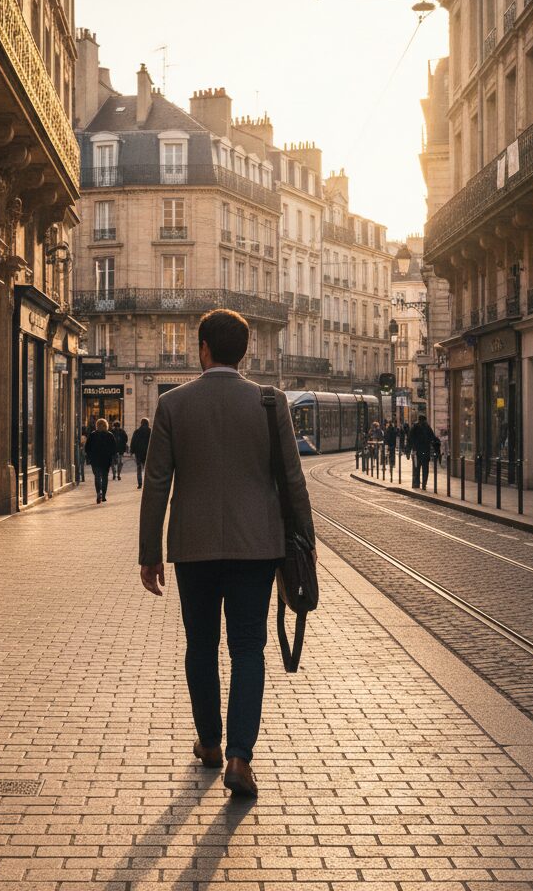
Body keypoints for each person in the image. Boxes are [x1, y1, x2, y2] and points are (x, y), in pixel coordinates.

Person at [139, 309, 314, 799]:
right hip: (256, 546)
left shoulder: (172, 404)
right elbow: (292, 479)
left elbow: (156, 484)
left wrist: (150, 552)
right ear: (246, 353)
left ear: (203, 350)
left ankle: (210, 744)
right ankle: (240, 756)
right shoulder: (269, 402)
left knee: (200, 645)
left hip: (192, 547)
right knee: (247, 648)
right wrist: (306, 541)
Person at [84, 418, 118, 503]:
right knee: (105, 477)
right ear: (106, 425)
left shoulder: (93, 435)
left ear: (97, 425)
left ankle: (98, 493)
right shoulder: (110, 435)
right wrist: (113, 457)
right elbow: (114, 448)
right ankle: (104, 495)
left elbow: (87, 447)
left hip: (95, 460)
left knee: (97, 477)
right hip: (106, 460)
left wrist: (89, 457)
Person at [408, 413, 439, 490]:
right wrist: (436, 447)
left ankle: (417, 483)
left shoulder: (415, 427)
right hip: (425, 451)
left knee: (417, 468)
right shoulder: (427, 427)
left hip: (417, 451)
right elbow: (433, 438)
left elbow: (410, 439)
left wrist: (409, 450)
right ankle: (424, 484)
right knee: (425, 469)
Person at [130, 417, 151, 489]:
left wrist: (132, 451)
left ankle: (140, 483)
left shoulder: (137, 431)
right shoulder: (150, 431)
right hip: (148, 452)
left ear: (141, 423)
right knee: (147, 469)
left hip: (138, 453)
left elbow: (133, 442)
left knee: (139, 468)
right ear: (148, 423)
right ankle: (147, 483)